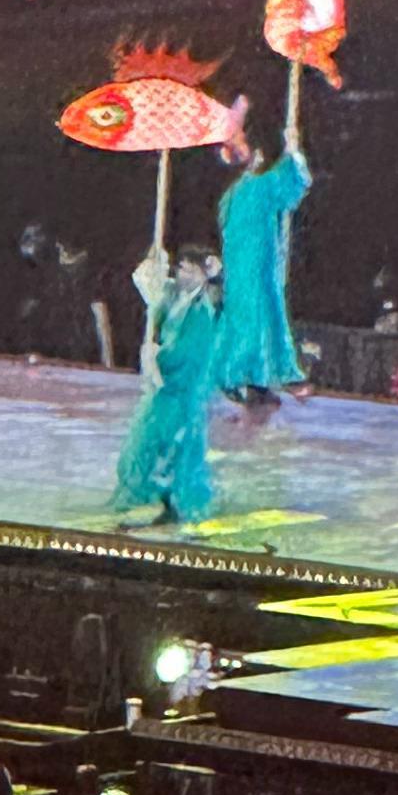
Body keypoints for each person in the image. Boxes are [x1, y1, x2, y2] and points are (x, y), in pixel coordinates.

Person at [113, 252, 223, 528]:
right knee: (147, 442)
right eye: (182, 269)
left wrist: (158, 357)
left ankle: (180, 505)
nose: (184, 276)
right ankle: (147, 497)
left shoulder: (202, 311)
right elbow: (148, 284)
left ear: (203, 274)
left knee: (179, 450)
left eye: (191, 271)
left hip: (184, 391)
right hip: (167, 391)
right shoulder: (174, 297)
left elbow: (188, 353)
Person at [213, 134, 311, 405]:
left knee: (245, 317)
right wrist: (293, 153)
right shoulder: (256, 187)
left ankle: (253, 379)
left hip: (244, 266)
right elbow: (292, 187)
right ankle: (244, 376)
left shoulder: (235, 193)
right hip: (255, 266)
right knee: (258, 317)